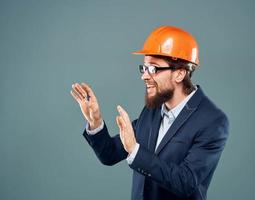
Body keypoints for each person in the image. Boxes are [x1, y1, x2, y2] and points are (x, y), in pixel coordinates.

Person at [70, 25, 229, 200]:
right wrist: (95, 121)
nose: (144, 76)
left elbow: (186, 182)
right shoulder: (151, 111)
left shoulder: (213, 121)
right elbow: (110, 154)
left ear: (180, 74)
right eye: (143, 68)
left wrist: (135, 151)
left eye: (153, 68)